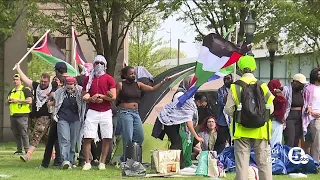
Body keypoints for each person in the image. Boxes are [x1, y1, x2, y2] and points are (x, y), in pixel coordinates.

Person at [225, 55, 274, 180]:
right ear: (255, 68)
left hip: (241, 129)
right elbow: (271, 108)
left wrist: (242, 115)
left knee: (242, 165)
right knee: (264, 164)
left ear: (240, 69)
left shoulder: (235, 87)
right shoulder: (263, 86)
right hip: (262, 129)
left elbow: (229, 110)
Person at [116, 66, 169, 162]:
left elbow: (152, 89)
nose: (133, 75)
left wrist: (163, 82)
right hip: (125, 112)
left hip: (135, 113)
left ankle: (128, 156)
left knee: (140, 136)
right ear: (125, 75)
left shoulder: (138, 84)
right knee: (128, 137)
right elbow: (115, 97)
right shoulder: (120, 85)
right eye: (131, 74)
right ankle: (126, 161)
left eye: (134, 73)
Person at [155, 76, 204, 169]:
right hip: (169, 122)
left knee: (178, 143)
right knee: (176, 143)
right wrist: (197, 136)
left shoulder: (188, 96)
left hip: (174, 122)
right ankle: (173, 166)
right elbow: (188, 121)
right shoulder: (181, 95)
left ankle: (178, 166)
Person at [82, 55, 116, 170]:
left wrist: (101, 96)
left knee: (107, 137)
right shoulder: (88, 79)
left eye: (101, 63)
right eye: (97, 63)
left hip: (106, 111)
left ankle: (102, 162)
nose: (99, 65)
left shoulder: (109, 78)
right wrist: (91, 99)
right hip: (92, 110)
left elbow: (113, 97)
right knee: (87, 136)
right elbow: (83, 94)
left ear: (105, 65)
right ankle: (87, 162)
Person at [15, 64, 53, 162]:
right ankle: (54, 155)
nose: (43, 83)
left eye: (45, 82)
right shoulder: (36, 86)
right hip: (35, 115)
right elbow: (25, 79)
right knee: (45, 137)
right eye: (42, 81)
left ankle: (28, 155)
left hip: (46, 116)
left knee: (37, 134)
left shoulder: (53, 89)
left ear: (49, 81)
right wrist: (18, 68)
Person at [48, 76, 85, 169]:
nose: (69, 86)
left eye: (71, 84)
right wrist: (50, 101)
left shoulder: (80, 90)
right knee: (64, 139)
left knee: (73, 141)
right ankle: (65, 160)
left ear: (75, 84)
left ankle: (71, 160)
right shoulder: (60, 91)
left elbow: (85, 97)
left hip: (76, 118)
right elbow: (53, 97)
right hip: (62, 118)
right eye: (68, 84)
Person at [40, 62, 70, 168]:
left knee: (54, 140)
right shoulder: (74, 80)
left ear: (57, 71)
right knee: (64, 139)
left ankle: (51, 162)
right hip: (69, 115)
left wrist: (51, 100)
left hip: (60, 115)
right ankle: (63, 161)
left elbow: (55, 99)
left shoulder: (58, 83)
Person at [7, 74, 32, 155]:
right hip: (13, 115)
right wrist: (9, 101)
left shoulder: (25, 90)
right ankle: (19, 150)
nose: (15, 81)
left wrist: (17, 100)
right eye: (14, 79)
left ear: (21, 81)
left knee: (24, 133)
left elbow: (29, 101)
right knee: (16, 133)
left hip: (22, 115)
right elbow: (6, 102)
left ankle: (27, 150)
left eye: (17, 79)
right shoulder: (12, 91)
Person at [283, 73, 308, 147]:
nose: (302, 85)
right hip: (290, 116)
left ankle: (294, 156)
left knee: (296, 138)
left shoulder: (302, 91)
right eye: (301, 84)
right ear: (295, 82)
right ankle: (287, 154)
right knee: (290, 137)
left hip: (300, 116)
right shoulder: (287, 89)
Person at [303, 68, 320, 162]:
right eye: (318, 74)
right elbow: (306, 104)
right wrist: (312, 112)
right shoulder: (309, 89)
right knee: (316, 142)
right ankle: (315, 162)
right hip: (314, 118)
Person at [214, 74, 233, 153]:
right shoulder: (220, 90)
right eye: (225, 79)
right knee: (221, 141)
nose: (227, 80)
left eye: (228, 78)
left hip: (234, 120)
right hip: (223, 120)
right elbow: (220, 102)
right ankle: (218, 158)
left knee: (234, 141)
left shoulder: (236, 89)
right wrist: (227, 97)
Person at [267, 79, 287, 147]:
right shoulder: (277, 96)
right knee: (275, 144)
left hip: (267, 121)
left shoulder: (266, 94)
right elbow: (283, 102)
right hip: (276, 121)